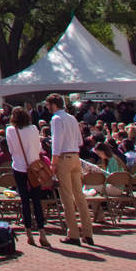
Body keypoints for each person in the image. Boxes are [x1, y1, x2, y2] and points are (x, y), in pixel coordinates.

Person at [47, 93, 94, 246]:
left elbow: (57, 143)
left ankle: (73, 233)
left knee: (67, 197)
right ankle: (88, 233)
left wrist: (53, 164)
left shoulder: (56, 119)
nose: (48, 108)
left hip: (64, 158)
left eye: (49, 105)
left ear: (54, 105)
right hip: (75, 156)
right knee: (79, 196)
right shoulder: (72, 118)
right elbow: (80, 141)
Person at [6, 106, 50, 247]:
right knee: (36, 200)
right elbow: (38, 148)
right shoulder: (33, 129)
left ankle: (28, 232)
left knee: (25, 200)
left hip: (19, 166)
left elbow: (11, 150)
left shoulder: (10, 130)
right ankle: (42, 233)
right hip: (33, 166)